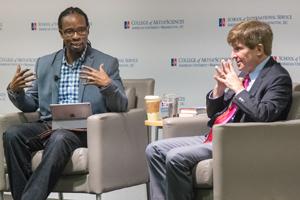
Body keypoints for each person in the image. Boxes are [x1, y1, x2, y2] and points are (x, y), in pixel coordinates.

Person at [145, 20, 292, 200]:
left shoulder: (278, 78)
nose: (233, 55)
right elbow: (216, 114)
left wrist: (239, 89)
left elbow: (264, 115)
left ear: (259, 50)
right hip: (214, 136)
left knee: (176, 157)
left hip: (237, 142)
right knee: (154, 149)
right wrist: (219, 90)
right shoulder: (245, 74)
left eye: (238, 49)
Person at [3, 7, 128, 200]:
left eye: (81, 30)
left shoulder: (106, 62)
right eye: (70, 31)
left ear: (88, 30)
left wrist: (108, 85)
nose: (77, 36)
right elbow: (31, 104)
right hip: (50, 125)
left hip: (86, 129)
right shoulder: (45, 63)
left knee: (60, 136)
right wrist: (16, 91)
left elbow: (121, 106)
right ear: (61, 33)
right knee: (12, 134)